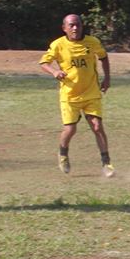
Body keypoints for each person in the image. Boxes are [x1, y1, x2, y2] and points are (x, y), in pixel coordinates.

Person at [38, 14, 115, 177]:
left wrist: (107, 78)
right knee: (70, 129)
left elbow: (103, 57)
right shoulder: (58, 45)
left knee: (97, 126)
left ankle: (107, 163)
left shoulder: (92, 42)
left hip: (91, 92)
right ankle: (63, 154)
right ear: (64, 28)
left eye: (78, 25)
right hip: (69, 95)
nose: (75, 28)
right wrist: (54, 71)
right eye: (71, 25)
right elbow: (44, 62)